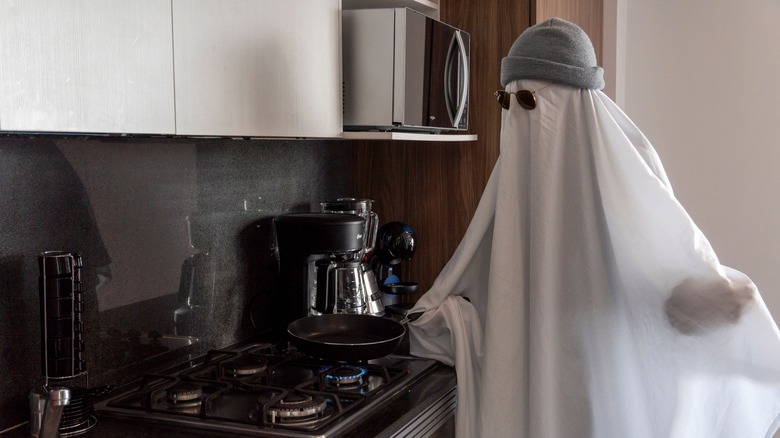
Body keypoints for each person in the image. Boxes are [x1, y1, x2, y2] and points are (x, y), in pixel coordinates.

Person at [408, 18, 780, 438]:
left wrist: (712, 298)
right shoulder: (516, 180)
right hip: (533, 393)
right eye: (505, 100)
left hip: (602, 396)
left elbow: (679, 286)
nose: (515, 113)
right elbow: (482, 285)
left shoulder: (625, 171)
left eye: (528, 100)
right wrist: (445, 321)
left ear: (571, 99)